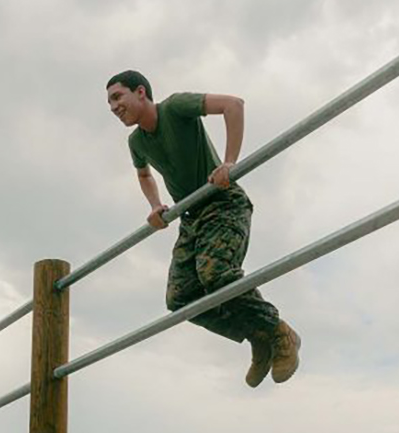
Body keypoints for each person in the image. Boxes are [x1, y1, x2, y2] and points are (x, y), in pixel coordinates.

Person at [105, 69, 302, 388]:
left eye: (117, 97)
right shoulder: (136, 141)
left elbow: (233, 104)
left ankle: (279, 332)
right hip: (191, 217)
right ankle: (258, 336)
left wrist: (229, 162)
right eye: (109, 102)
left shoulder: (175, 107)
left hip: (223, 202)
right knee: (181, 299)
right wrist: (155, 205)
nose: (113, 107)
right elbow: (143, 174)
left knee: (216, 274)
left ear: (140, 92)